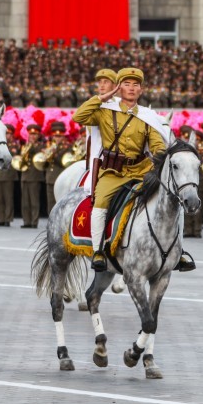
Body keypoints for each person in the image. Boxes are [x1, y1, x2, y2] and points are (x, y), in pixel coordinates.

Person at [73, 67, 174, 272]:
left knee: (169, 197)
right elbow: (78, 117)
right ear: (119, 88)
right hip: (113, 172)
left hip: (141, 171)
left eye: (135, 85)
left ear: (141, 90)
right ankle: (98, 250)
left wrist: (160, 156)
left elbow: (157, 146)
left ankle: (175, 250)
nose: (131, 88)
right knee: (100, 203)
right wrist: (102, 97)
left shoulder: (148, 117)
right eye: (126, 84)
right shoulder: (105, 111)